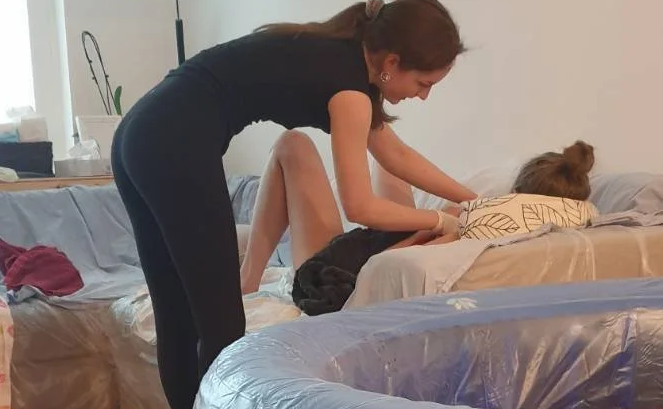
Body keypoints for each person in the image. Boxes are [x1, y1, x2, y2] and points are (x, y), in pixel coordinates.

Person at [112, 0, 475, 409]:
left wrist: (473, 200)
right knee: (220, 325)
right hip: (172, 141)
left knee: (178, 317)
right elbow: (359, 205)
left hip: (139, 133)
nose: (424, 96)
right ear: (392, 63)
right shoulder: (350, 91)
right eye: (423, 83)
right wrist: (440, 220)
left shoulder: (344, 57)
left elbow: (396, 155)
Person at [242, 136, 596, 316]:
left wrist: (445, 220)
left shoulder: (479, 231)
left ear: (515, 192)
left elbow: (386, 264)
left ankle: (247, 281)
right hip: (380, 246)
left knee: (292, 144)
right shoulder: (542, 235)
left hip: (343, 275)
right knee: (385, 156)